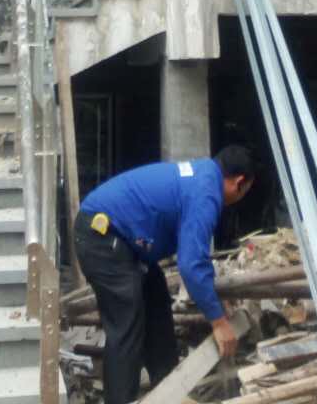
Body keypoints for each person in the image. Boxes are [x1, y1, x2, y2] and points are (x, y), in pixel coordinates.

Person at [74, 146, 256, 404]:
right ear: (239, 183)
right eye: (245, 192)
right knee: (127, 323)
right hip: (101, 235)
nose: (240, 199)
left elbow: (198, 259)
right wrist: (218, 322)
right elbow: (191, 265)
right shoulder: (206, 194)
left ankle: (169, 391)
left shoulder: (204, 176)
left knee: (157, 304)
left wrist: (215, 303)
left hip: (126, 244)